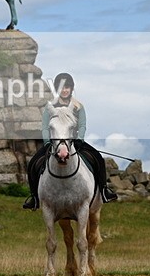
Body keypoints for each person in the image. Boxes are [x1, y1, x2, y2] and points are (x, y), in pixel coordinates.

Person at [23, 73, 118, 210]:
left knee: (98, 158)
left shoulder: (78, 106)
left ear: (71, 88)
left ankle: (104, 191)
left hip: (74, 142)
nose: (65, 90)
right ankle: (35, 198)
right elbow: (44, 127)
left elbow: (82, 126)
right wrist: (47, 142)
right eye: (62, 87)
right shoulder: (50, 107)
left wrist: (79, 140)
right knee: (33, 163)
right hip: (55, 143)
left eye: (67, 87)